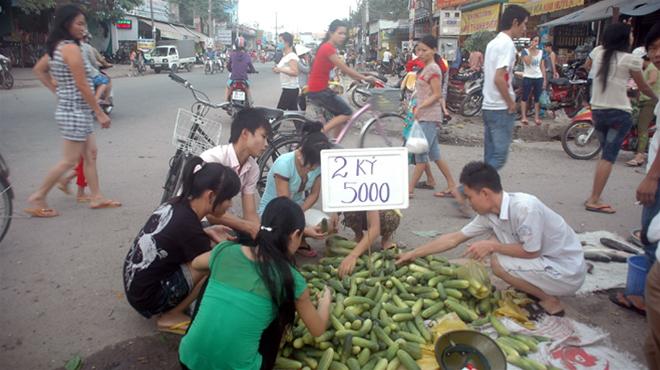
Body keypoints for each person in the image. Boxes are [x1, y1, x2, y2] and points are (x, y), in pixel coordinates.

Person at [398, 161, 587, 316]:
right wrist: (414, 253)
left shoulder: (525, 208)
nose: (468, 203)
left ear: (485, 193)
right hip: (545, 262)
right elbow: (454, 238)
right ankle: (535, 285)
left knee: (497, 261)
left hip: (566, 270)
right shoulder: (489, 214)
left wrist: (491, 246)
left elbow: (532, 251)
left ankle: (550, 301)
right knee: (495, 242)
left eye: (470, 197)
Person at [179, 197, 332, 370]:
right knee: (279, 309)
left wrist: (227, 255)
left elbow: (198, 263)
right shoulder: (291, 278)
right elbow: (318, 330)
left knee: (213, 273)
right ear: (296, 234)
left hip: (188, 359)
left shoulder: (225, 251)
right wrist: (325, 301)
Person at [123, 157, 241, 335]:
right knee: (215, 262)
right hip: (148, 299)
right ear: (211, 196)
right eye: (229, 198)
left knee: (207, 254)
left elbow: (179, 235)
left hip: (134, 285)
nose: (230, 204)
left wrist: (207, 231)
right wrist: (227, 250)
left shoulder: (176, 203)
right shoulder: (189, 227)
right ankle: (171, 315)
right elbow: (207, 260)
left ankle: (176, 304)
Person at [27, 4, 118, 217]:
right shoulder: (69, 49)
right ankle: (38, 197)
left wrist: (56, 89)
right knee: (69, 160)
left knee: (90, 154)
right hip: (75, 111)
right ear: (66, 24)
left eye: (83, 23)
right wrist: (100, 112)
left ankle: (96, 196)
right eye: (79, 23)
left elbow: (39, 70)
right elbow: (83, 85)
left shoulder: (60, 47)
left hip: (77, 110)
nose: (83, 28)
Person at [584, 23, 657, 214]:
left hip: (598, 112)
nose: (633, 36)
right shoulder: (631, 60)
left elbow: (591, 68)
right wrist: (656, 98)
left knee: (604, 156)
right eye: (631, 34)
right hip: (619, 114)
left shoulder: (599, 54)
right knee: (608, 157)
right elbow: (643, 87)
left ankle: (595, 194)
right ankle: (594, 198)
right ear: (624, 38)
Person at [407, 36, 466, 211]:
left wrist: (420, 107)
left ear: (434, 50)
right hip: (424, 115)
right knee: (435, 154)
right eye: (419, 50)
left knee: (421, 155)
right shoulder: (426, 67)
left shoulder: (433, 69)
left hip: (429, 116)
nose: (421, 53)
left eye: (424, 50)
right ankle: (451, 185)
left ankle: (409, 189)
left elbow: (437, 94)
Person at [200, 108, 271, 241]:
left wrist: (260, 237)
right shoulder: (214, 159)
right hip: (198, 220)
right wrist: (248, 227)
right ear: (245, 133)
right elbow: (209, 211)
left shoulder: (253, 168)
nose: (266, 144)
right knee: (228, 252)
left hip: (221, 219)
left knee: (254, 243)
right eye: (263, 136)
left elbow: (250, 213)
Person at [307, 20, 376, 137]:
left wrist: (362, 75)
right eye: (340, 33)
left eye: (344, 34)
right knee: (347, 113)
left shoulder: (327, 47)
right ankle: (319, 134)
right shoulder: (328, 48)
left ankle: (334, 144)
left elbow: (344, 69)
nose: (343, 36)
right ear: (331, 33)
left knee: (339, 114)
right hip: (319, 90)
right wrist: (365, 78)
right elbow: (345, 69)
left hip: (319, 88)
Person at [482, 5, 529, 171]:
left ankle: (481, 193)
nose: (525, 29)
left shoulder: (493, 43)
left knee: (490, 156)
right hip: (500, 108)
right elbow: (499, 78)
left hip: (488, 106)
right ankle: (467, 188)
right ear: (515, 22)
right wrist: (511, 103)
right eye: (524, 24)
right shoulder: (507, 45)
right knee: (499, 157)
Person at [330, 210, 401, 277]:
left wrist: (353, 256)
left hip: (383, 209)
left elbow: (375, 229)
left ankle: (386, 239)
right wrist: (335, 213)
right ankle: (359, 236)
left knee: (390, 216)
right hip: (364, 210)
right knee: (350, 210)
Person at [627, 47, 659, 167]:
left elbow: (652, 80)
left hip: (651, 101)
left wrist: (637, 86)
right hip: (643, 100)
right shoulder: (646, 68)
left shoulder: (652, 67)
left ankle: (640, 156)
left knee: (642, 127)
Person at [520, 35, 547, 126]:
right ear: (531, 41)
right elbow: (527, 62)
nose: (536, 43)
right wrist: (531, 51)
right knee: (525, 97)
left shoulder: (541, 52)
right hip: (527, 76)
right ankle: (524, 116)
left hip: (538, 77)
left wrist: (544, 79)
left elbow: (542, 66)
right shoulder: (525, 51)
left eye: (537, 41)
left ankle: (536, 117)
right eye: (534, 41)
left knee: (537, 98)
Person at [80, 32, 111, 105]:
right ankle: (98, 100)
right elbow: (94, 61)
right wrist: (104, 65)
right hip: (89, 74)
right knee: (105, 80)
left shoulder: (67, 47)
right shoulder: (87, 47)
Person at [273, 32, 299, 110]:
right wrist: (277, 69)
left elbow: (295, 72)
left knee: (278, 114)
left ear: (287, 43)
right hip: (288, 88)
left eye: (280, 41)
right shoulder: (285, 56)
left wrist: (280, 69)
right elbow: (285, 69)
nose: (278, 43)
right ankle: (301, 122)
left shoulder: (292, 56)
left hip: (290, 89)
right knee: (294, 114)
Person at [226, 36, 256, 102]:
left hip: (233, 78)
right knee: (247, 89)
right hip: (244, 79)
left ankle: (226, 101)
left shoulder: (232, 55)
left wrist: (231, 70)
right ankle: (250, 102)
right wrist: (253, 71)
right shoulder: (247, 55)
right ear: (245, 45)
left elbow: (228, 66)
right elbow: (251, 67)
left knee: (228, 86)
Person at [296, 45, 312, 111]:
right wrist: (307, 61)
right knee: (301, 100)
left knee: (302, 99)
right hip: (301, 83)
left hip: (304, 83)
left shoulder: (302, 61)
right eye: (306, 54)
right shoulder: (298, 62)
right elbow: (307, 70)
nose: (307, 55)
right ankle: (301, 113)